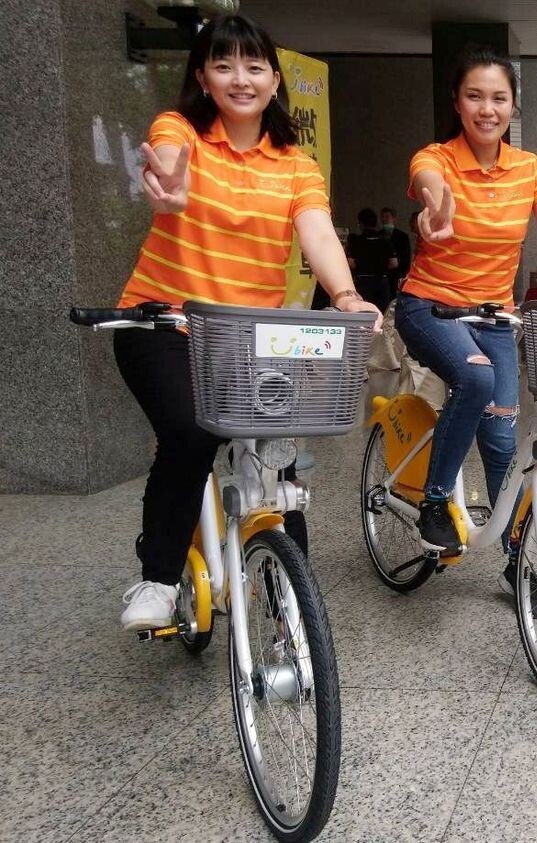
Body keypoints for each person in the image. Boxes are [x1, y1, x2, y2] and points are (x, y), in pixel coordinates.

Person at [112, 15, 381, 632]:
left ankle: (293, 602)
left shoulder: (295, 164)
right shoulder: (179, 130)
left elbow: (315, 228)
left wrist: (344, 295)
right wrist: (169, 189)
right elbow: (168, 162)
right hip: (161, 324)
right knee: (191, 432)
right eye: (224, 65)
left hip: (243, 335)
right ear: (203, 77)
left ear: (275, 79)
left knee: (277, 455)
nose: (241, 79)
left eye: (255, 66)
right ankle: (156, 578)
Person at [395, 45, 537, 591]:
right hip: (430, 307)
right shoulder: (438, 158)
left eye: (498, 98)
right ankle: (434, 502)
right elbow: (428, 183)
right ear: (457, 101)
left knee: (500, 437)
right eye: (475, 96)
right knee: (473, 378)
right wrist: (436, 206)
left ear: (513, 105)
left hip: (494, 317)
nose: (487, 109)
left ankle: (517, 562)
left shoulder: (531, 169)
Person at [347, 207, 397, 311]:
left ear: (361, 224)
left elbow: (351, 263)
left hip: (363, 281)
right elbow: (394, 263)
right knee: (381, 312)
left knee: (363, 312)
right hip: (382, 281)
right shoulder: (385, 241)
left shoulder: (357, 241)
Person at [381, 206, 412, 293]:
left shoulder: (402, 236)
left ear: (393, 218)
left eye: (387, 216)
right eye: (382, 217)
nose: (384, 219)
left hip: (396, 274)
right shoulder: (379, 235)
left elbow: (406, 257)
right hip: (382, 274)